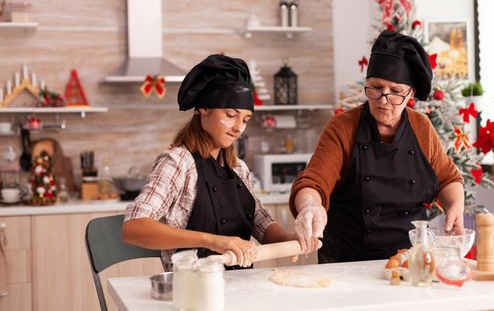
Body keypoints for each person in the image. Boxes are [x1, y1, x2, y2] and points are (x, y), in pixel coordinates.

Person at [290, 30, 465, 263]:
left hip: (409, 260)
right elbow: (313, 181)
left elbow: (448, 178)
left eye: (395, 92)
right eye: (376, 88)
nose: (383, 100)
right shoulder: (343, 127)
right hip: (348, 260)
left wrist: (455, 206)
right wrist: (310, 206)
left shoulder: (421, 127)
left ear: (410, 93)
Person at [123, 54, 306, 269]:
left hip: (241, 288)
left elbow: (261, 222)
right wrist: (213, 240)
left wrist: (293, 240)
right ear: (203, 109)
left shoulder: (238, 168)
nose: (239, 127)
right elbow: (133, 228)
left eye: (245, 120)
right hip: (192, 290)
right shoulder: (178, 163)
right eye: (230, 115)